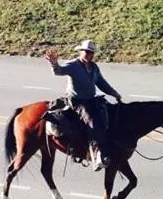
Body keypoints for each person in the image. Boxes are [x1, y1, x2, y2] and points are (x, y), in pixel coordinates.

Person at [44, 40, 122, 170]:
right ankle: (95, 155)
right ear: (81, 52)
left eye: (91, 52)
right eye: (86, 52)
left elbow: (101, 83)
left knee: (107, 114)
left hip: (91, 100)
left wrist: (114, 93)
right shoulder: (73, 65)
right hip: (76, 101)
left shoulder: (94, 67)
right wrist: (54, 64)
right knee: (92, 121)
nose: (89, 54)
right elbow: (59, 71)